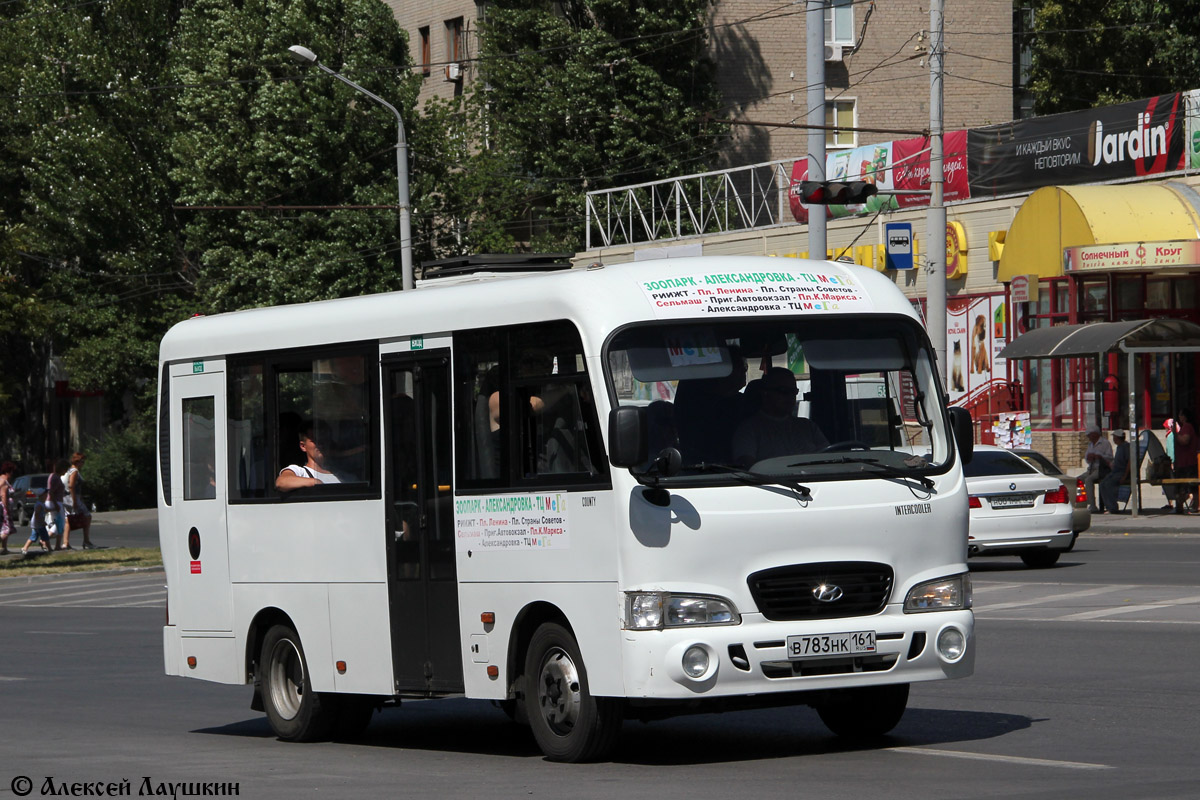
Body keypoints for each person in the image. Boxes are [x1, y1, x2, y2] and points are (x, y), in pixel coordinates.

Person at [732, 366, 829, 467]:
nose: (790, 396)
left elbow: (828, 458)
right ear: (765, 393)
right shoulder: (748, 430)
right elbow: (748, 466)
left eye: (793, 392)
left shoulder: (808, 427)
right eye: (783, 391)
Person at [275, 422, 344, 491]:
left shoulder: (342, 475)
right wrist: (315, 482)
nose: (321, 444)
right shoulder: (300, 472)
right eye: (315, 440)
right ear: (303, 446)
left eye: (324, 439)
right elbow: (281, 482)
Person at [1078, 424, 1113, 513]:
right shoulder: (1090, 444)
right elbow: (1087, 458)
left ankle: (1092, 505)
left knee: (1089, 480)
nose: (1089, 437)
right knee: (1078, 480)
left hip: (1101, 468)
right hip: (1091, 468)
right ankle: (1081, 502)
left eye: (1090, 435)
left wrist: (1099, 456)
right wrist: (1089, 458)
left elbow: (1110, 457)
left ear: (1095, 434)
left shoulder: (1105, 443)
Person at [64, 452, 95, 549]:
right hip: (73, 498)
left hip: (66, 498)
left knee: (68, 520)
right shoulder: (74, 471)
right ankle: (86, 541)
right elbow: (71, 486)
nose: (83, 463)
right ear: (78, 461)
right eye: (82, 461)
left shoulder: (68, 470)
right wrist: (75, 501)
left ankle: (66, 542)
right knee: (87, 516)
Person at [1170, 409, 1197, 515]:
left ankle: (1180, 506)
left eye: (1180, 415)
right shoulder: (1191, 426)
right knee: (1193, 486)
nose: (1179, 417)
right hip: (1189, 460)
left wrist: (1175, 434)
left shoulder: (1187, 427)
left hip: (1186, 461)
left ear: (1185, 417)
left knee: (1181, 485)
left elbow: (1185, 440)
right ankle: (1195, 505)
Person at [1098, 430, 1130, 514]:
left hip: (1121, 472)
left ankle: (1113, 507)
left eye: (1115, 437)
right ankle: (1108, 506)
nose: (1113, 439)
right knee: (1102, 484)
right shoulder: (1119, 447)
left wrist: (1125, 476)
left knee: (1109, 484)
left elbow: (1130, 462)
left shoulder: (1126, 447)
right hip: (1115, 471)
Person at [21, 490, 53, 555]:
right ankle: (49, 549)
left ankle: (25, 548)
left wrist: (52, 509)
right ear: (41, 496)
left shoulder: (41, 504)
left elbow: (45, 510)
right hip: (38, 524)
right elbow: (37, 514)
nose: (47, 496)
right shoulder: (39, 505)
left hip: (37, 524)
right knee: (45, 537)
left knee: (34, 537)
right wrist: (42, 522)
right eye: (45, 494)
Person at [47, 459, 69, 550]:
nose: (66, 471)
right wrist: (56, 504)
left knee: (59, 523)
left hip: (55, 501)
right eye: (65, 469)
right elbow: (51, 491)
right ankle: (45, 538)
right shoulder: (55, 477)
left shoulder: (54, 476)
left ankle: (57, 545)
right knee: (61, 523)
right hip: (55, 502)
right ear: (62, 468)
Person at [0, 461, 16, 555]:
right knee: (6, 529)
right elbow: (3, 496)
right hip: (3, 508)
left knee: (3, 527)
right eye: (11, 472)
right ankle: (3, 548)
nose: (12, 474)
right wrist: (7, 510)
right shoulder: (4, 482)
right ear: (8, 471)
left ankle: (4, 548)